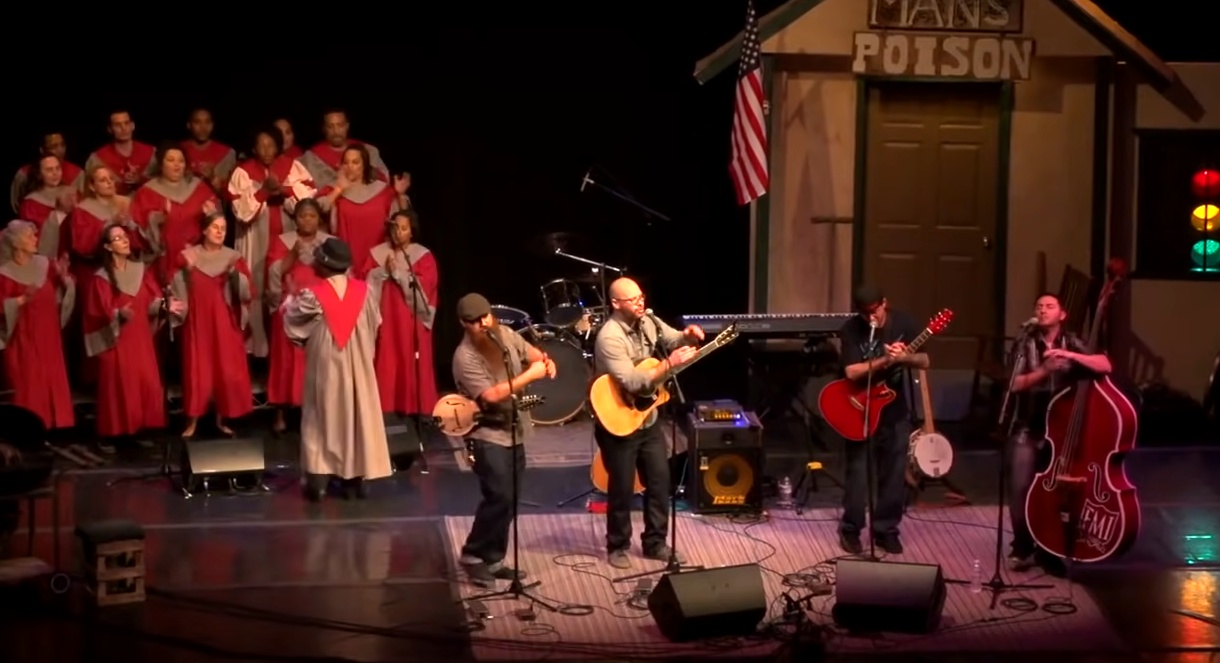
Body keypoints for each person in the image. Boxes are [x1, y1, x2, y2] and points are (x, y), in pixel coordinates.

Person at [592, 277, 703, 569]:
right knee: (622, 487)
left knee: (659, 482)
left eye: (641, 296)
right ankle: (617, 545)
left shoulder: (650, 321)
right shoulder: (609, 336)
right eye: (633, 299)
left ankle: (655, 543)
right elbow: (631, 380)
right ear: (616, 303)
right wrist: (669, 364)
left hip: (648, 418)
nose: (640, 302)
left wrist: (688, 337)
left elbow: (673, 339)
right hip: (618, 420)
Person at [451, 292, 556, 586]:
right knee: (498, 496)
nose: (482, 324)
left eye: (485, 317)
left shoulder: (506, 334)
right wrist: (531, 376)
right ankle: (473, 554)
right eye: (474, 321)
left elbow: (531, 353)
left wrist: (544, 361)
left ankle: (494, 557)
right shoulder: (465, 356)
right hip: (487, 434)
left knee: (510, 499)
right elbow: (490, 396)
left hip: (514, 430)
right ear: (463, 323)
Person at [1006, 292, 1112, 573]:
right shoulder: (1025, 341)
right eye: (1038, 306)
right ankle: (1023, 547)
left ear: (1062, 315)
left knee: (1054, 492)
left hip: (1064, 431)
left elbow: (1105, 365)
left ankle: (1049, 548)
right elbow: (1014, 385)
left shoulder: (1073, 340)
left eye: (1049, 306)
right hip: (1029, 425)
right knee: (1020, 488)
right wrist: (1044, 370)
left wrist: (1070, 355)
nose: (1042, 310)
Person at [283, 237, 390, 501]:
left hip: (327, 364)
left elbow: (293, 322)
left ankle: (319, 479)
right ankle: (354, 478)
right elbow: (376, 323)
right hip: (359, 366)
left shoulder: (314, 295)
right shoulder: (365, 292)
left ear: (325, 265)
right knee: (356, 413)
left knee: (323, 415)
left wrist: (288, 303)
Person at [835, 285, 928, 555]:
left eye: (874, 310)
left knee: (894, 472)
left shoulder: (905, 322)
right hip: (859, 409)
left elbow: (924, 360)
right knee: (858, 474)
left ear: (884, 303)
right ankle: (851, 530)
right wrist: (885, 360)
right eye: (864, 313)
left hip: (894, 409)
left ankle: (886, 530)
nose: (870, 317)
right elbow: (851, 372)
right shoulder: (852, 329)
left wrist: (904, 356)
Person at [169, 212, 255, 438]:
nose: (219, 232)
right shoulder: (188, 256)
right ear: (204, 230)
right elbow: (173, 284)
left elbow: (246, 292)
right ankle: (192, 421)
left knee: (224, 369)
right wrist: (186, 272)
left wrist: (235, 277)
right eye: (215, 227)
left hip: (224, 321)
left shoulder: (233, 258)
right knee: (197, 368)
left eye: (223, 228)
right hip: (198, 321)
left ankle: (220, 419)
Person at [360, 209, 438, 419]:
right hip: (386, 318)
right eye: (396, 228)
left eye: (404, 228)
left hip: (411, 320)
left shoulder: (422, 255)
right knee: (388, 360)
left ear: (411, 232)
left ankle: (417, 411)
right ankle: (387, 410)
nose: (399, 233)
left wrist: (400, 273)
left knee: (410, 361)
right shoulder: (377, 253)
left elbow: (427, 287)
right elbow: (364, 283)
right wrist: (383, 271)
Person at [0, 221, 75, 430]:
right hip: (22, 337)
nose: (35, 239)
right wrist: (21, 300)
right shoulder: (4, 273)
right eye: (29, 236)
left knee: (50, 375)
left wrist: (64, 277)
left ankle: (54, 423)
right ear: (16, 243)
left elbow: (63, 291)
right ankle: (29, 426)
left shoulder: (45, 264)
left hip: (48, 334)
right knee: (29, 381)